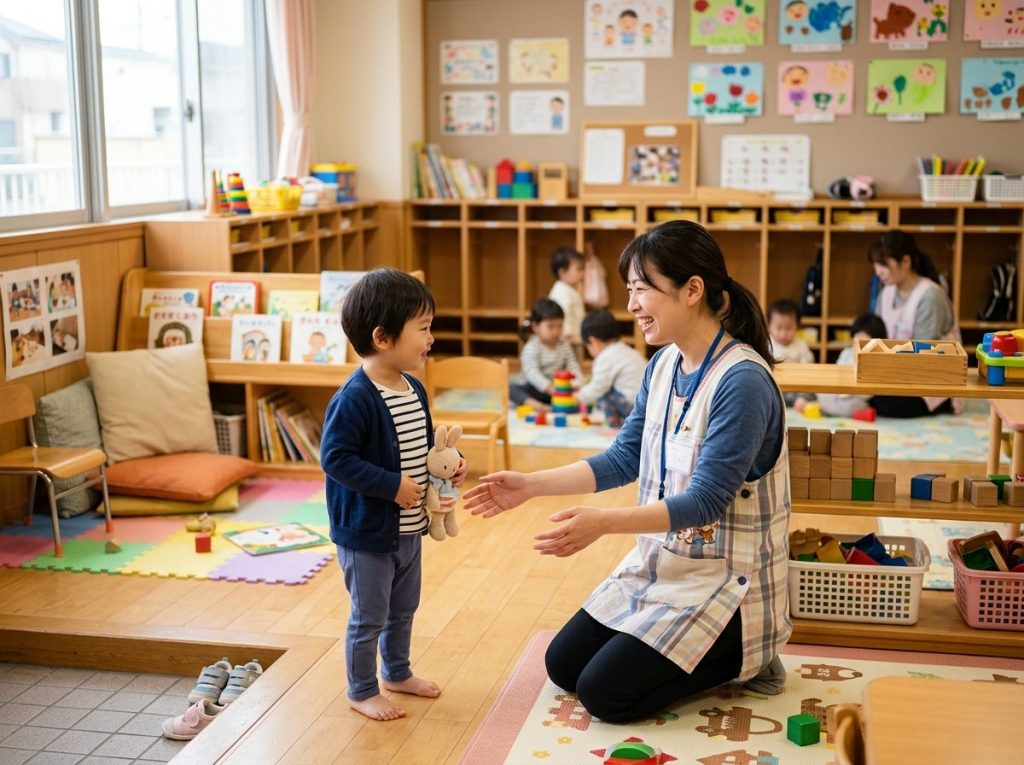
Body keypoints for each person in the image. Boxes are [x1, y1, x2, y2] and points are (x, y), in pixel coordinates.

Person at [465, 220, 791, 723]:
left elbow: (705, 501)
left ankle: (750, 659)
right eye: (630, 290)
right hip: (665, 569)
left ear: (692, 290)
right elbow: (622, 458)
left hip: (729, 589)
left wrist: (602, 523)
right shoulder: (662, 365)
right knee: (564, 664)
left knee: (604, 694)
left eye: (642, 289)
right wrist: (531, 485)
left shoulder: (742, 380)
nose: (632, 305)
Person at [320, 268, 467, 722]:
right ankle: (361, 689)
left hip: (407, 528)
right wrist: (391, 486)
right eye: (423, 329)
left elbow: (421, 449)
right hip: (366, 532)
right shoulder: (356, 397)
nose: (431, 338)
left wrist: (449, 465)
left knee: (404, 608)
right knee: (369, 617)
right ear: (383, 338)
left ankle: (397, 672)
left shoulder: (413, 388)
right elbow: (335, 458)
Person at [869, 230, 960, 416]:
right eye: (876, 265)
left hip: (931, 383)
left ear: (906, 262)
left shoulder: (930, 296)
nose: (878, 271)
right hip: (897, 375)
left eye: (883, 264)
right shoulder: (886, 293)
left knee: (880, 402)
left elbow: (924, 352)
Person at [577, 309, 646, 428]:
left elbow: (597, 388)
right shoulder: (627, 350)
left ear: (593, 341)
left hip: (635, 410)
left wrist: (578, 396)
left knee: (605, 394)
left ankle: (616, 426)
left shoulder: (605, 357)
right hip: (647, 408)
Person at [512, 298, 583, 412]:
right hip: (535, 389)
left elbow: (572, 365)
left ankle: (555, 404)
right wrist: (548, 387)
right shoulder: (531, 347)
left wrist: (577, 383)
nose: (556, 331)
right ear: (536, 327)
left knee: (584, 391)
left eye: (560, 326)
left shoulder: (564, 344)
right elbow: (531, 372)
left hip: (558, 390)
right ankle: (535, 405)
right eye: (550, 327)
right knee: (511, 388)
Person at [817, 313, 887, 418]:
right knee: (821, 392)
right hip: (840, 391)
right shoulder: (847, 352)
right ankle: (830, 408)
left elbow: (869, 391)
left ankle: (851, 412)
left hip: (857, 397)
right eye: (856, 341)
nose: (858, 347)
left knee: (851, 406)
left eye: (864, 344)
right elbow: (838, 370)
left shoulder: (877, 359)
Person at [766, 298, 815, 409]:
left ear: (797, 326)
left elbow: (808, 367)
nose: (783, 334)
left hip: (796, 387)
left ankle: (799, 402)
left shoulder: (801, 345)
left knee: (810, 394)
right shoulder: (767, 344)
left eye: (788, 328)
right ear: (769, 325)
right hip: (776, 386)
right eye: (779, 328)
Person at [548, 247, 586, 349]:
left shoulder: (570, 290)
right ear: (562, 272)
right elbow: (563, 317)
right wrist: (568, 337)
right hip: (568, 341)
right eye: (578, 269)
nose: (582, 273)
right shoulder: (561, 292)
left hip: (575, 339)